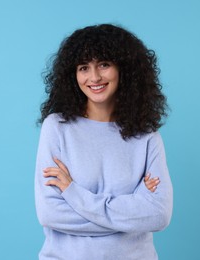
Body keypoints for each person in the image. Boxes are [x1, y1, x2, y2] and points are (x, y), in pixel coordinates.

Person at [34, 24, 173, 260]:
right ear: (73, 74)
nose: (94, 77)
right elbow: (51, 214)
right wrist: (133, 208)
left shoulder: (147, 136)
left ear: (124, 69)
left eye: (104, 64)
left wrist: (73, 193)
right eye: (84, 67)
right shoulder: (57, 127)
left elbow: (158, 215)